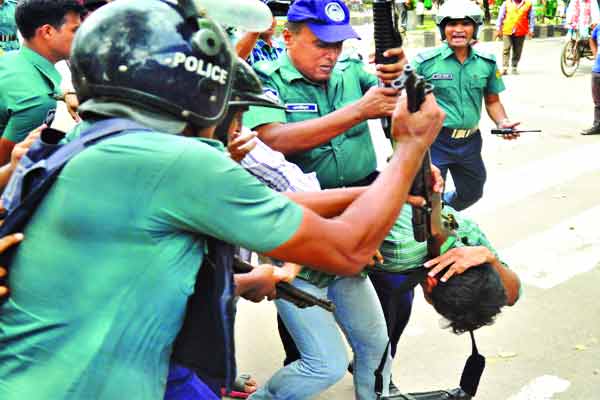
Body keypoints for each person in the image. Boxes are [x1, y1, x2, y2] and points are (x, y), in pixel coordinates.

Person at [0, 2, 445, 400]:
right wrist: (409, 148)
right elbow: (348, 248)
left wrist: (243, 282)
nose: (229, 128)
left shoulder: (71, 145)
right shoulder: (174, 160)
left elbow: (117, 270)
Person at [413, 0, 520, 212]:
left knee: (473, 191)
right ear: (443, 29)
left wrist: (503, 122)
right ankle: (434, 227)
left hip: (470, 142)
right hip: (435, 142)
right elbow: (403, 100)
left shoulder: (486, 63)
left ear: (475, 28)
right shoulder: (424, 63)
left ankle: (445, 213)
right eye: (452, 24)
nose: (459, 30)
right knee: (430, 196)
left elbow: (492, 100)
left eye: (465, 24)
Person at [0, 0, 84, 165]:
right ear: (47, 31)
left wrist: (64, 94)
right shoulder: (38, 100)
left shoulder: (10, 59)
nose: (81, 37)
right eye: (75, 30)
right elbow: (7, 166)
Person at [235, 0, 287, 65]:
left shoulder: (281, 48)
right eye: (264, 17)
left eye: (272, 16)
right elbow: (235, 61)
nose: (269, 21)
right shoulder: (248, 48)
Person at [495, 0, 535, 75]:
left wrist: (531, 30)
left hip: (521, 30)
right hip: (507, 29)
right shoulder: (506, 3)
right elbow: (500, 17)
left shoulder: (528, 4)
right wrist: (498, 29)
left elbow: (532, 18)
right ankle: (505, 68)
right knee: (506, 48)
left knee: (517, 50)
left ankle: (514, 67)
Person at [582, 22, 600, 135]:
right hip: (597, 70)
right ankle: (597, 125)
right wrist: (595, 54)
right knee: (598, 102)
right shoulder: (599, 27)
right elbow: (592, 39)